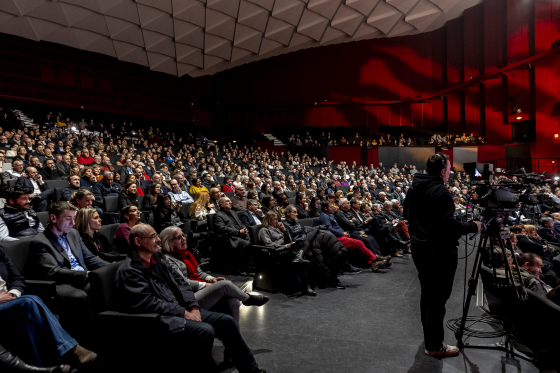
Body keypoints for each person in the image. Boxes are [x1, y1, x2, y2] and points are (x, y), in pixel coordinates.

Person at [115, 223, 267, 372]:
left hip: (179, 310)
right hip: (160, 319)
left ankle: (252, 370)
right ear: (138, 241)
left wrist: (193, 306)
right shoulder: (131, 270)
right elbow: (147, 303)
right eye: (153, 236)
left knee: (226, 322)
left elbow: (181, 284)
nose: (158, 240)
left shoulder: (157, 259)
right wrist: (183, 312)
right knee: (205, 330)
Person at [403, 153, 481, 357]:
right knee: (437, 300)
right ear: (442, 171)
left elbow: (407, 215)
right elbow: (448, 227)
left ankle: (430, 338)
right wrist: (474, 225)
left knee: (427, 296)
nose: (450, 172)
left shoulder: (414, 187)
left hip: (420, 249)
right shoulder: (441, 191)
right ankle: (435, 346)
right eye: (449, 168)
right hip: (439, 252)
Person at [0, 246, 97, 370]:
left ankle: (42, 369)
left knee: (27, 326)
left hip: (12, 301)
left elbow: (17, 279)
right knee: (30, 300)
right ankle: (70, 348)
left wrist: (13, 294)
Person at [29, 202, 110, 343]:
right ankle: (90, 338)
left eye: (74, 218)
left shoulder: (73, 233)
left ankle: (108, 328)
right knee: (87, 292)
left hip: (83, 276)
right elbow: (52, 271)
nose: (73, 223)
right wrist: (86, 275)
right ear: (53, 218)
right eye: (68, 219)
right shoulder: (40, 242)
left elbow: (89, 258)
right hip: (61, 282)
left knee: (109, 282)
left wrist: (110, 269)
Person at [160, 226, 268, 328]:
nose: (183, 239)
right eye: (179, 237)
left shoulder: (186, 254)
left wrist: (211, 279)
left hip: (197, 292)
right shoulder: (168, 260)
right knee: (225, 285)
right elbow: (183, 283)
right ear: (169, 242)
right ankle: (247, 298)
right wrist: (206, 285)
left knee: (233, 300)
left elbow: (199, 272)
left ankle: (234, 340)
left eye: (183, 235)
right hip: (186, 299)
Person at [319, 200, 387, 273]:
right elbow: (329, 228)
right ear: (325, 208)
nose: (334, 208)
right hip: (334, 238)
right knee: (359, 243)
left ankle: (372, 263)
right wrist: (342, 233)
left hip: (341, 235)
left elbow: (338, 227)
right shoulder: (324, 217)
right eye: (331, 207)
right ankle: (375, 258)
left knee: (361, 243)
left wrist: (344, 232)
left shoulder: (331, 215)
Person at [213, 197, 251, 274]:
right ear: (221, 205)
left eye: (230, 200)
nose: (230, 202)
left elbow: (239, 223)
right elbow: (222, 228)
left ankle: (249, 266)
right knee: (247, 245)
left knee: (253, 241)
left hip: (240, 234)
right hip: (230, 237)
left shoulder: (233, 212)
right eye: (227, 201)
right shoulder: (218, 215)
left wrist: (244, 229)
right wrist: (238, 232)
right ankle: (240, 268)